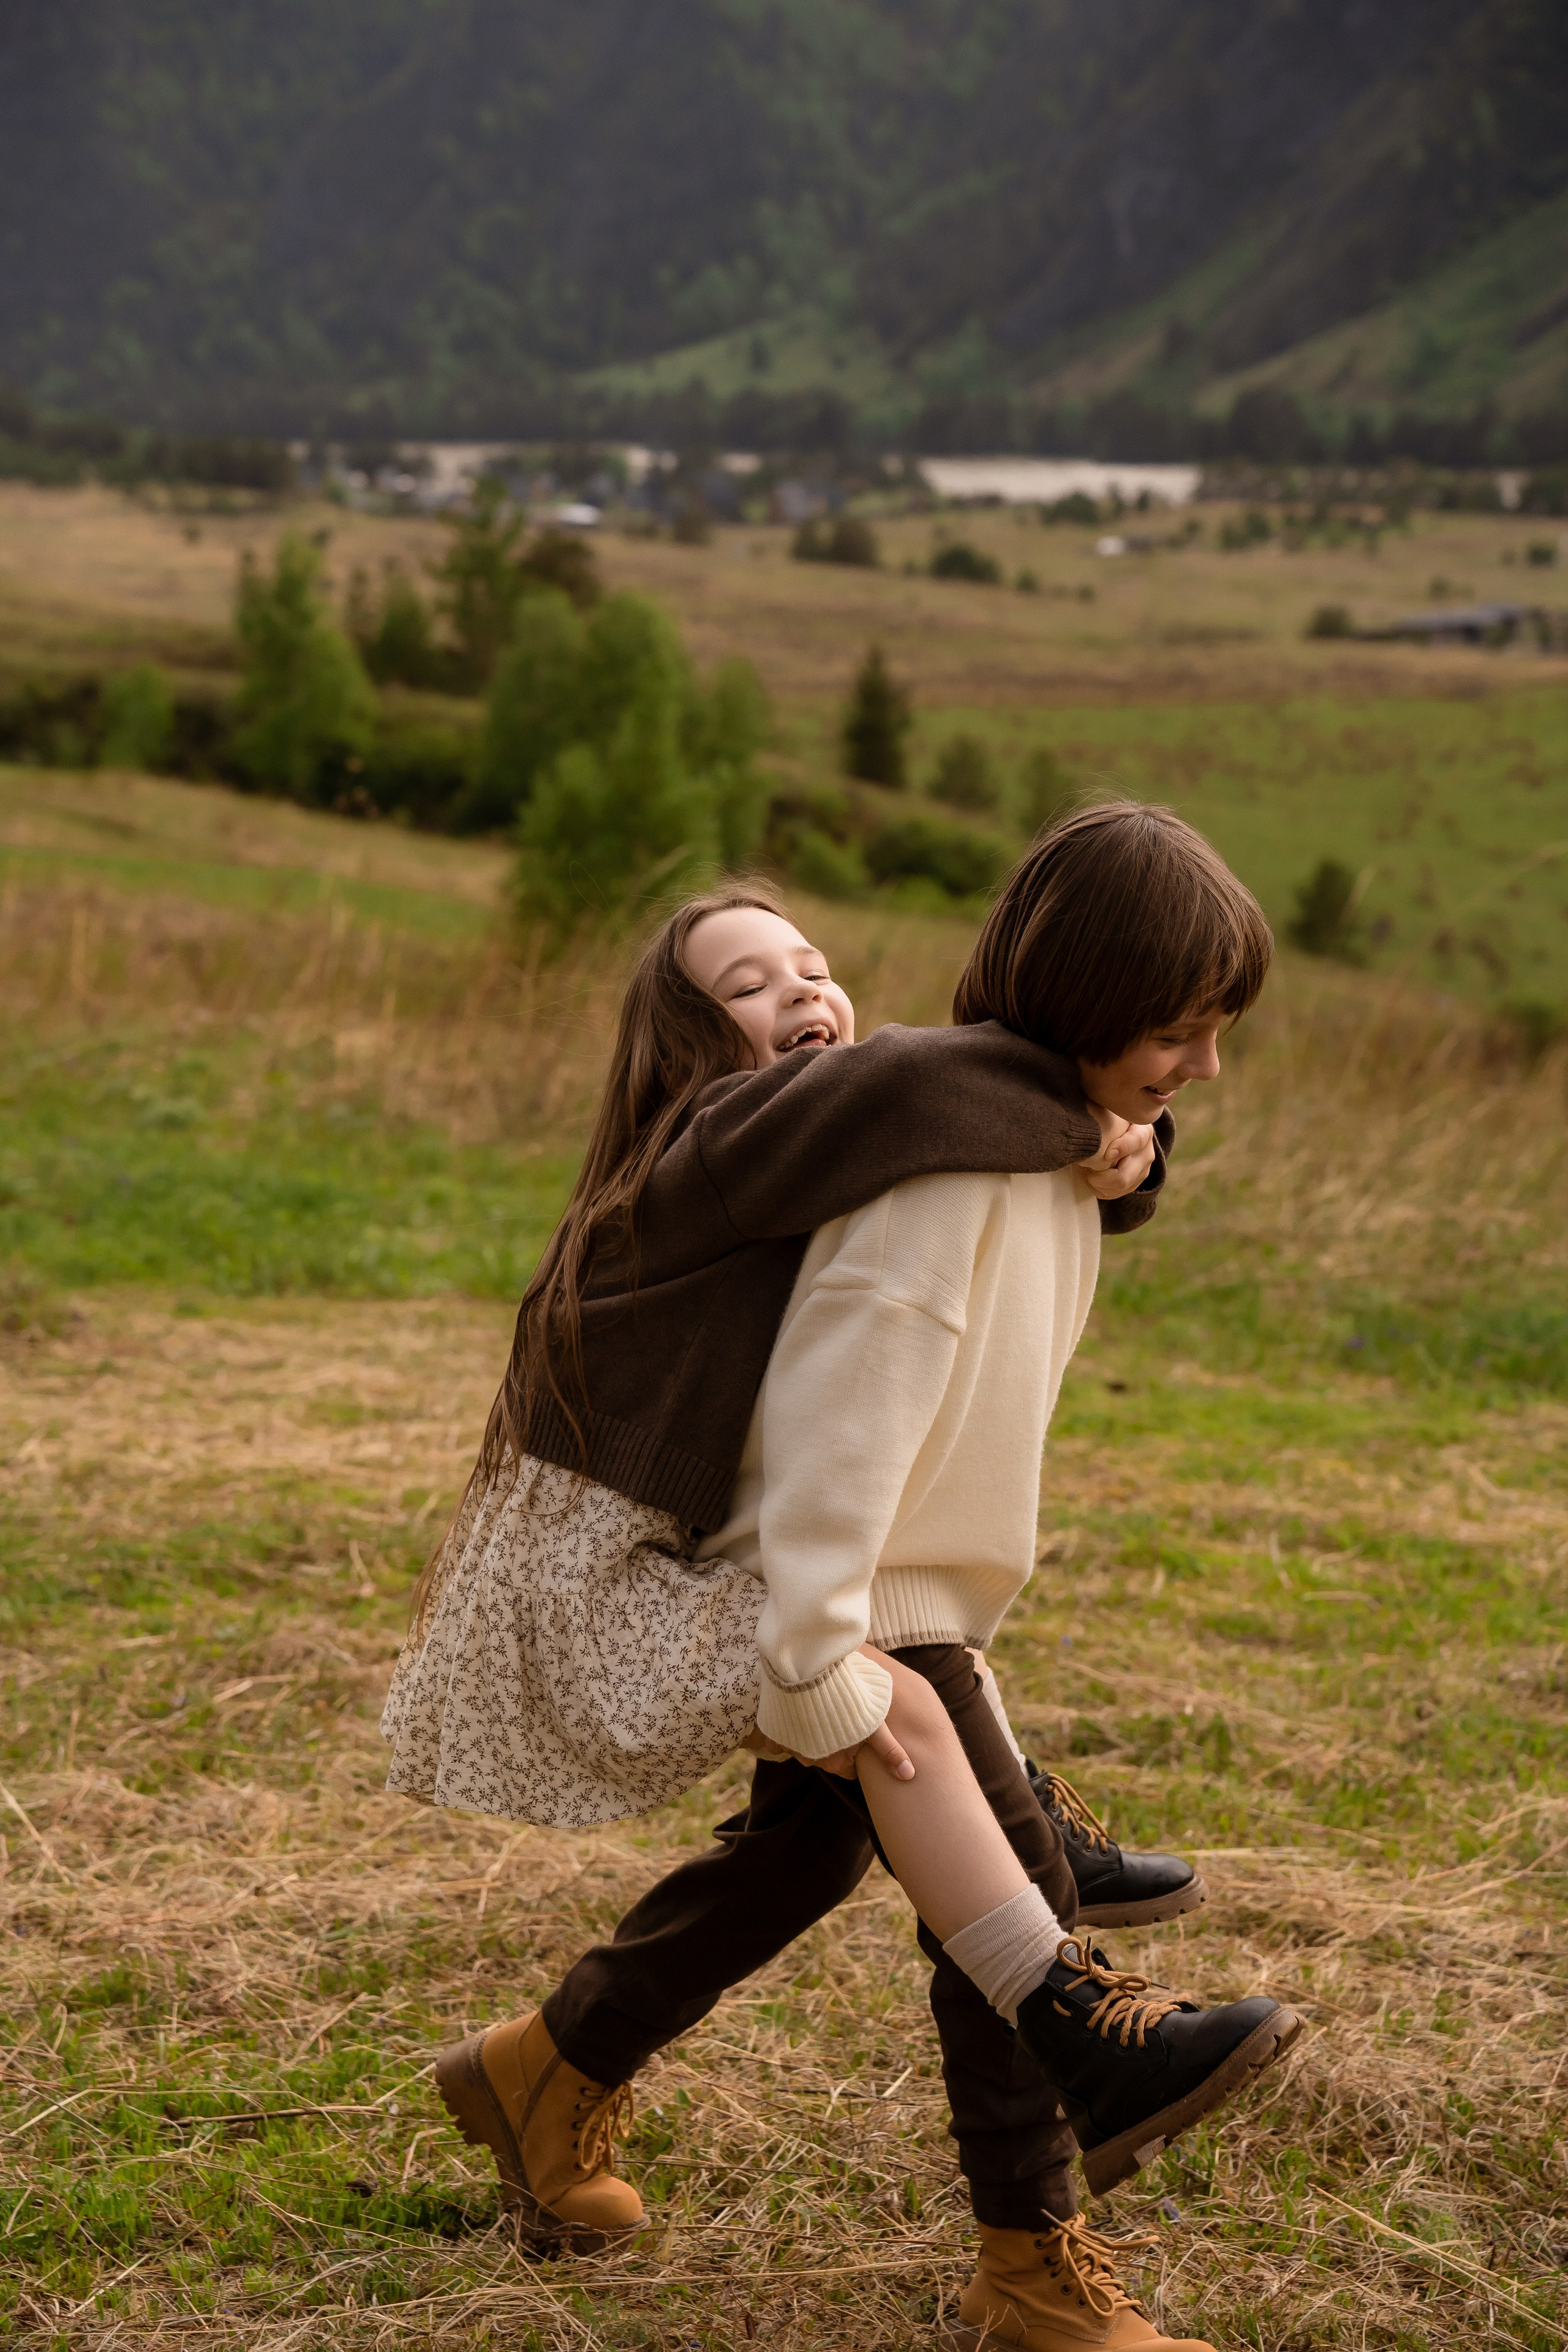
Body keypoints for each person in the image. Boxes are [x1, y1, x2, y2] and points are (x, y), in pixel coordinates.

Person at [385, 812, 1295, 2348]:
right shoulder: (734, 1133)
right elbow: (925, 1088)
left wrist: (1112, 1142)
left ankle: (549, 2066)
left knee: (824, 1833)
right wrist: (1080, 1118)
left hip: (711, 1556)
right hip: (615, 1583)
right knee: (950, 1784)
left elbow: (967, 1110)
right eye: (747, 984)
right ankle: (1041, 2216)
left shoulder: (871, 1138)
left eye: (815, 966)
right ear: (682, 1039)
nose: (802, 995)